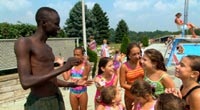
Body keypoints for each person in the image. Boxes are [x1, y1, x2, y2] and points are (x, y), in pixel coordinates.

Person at [14, 7, 92, 110]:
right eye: (56, 24)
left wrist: (73, 84)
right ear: (44, 22)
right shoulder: (24, 43)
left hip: (56, 99)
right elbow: (25, 82)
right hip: (40, 102)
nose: (59, 27)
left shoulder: (48, 48)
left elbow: (51, 80)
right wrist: (64, 68)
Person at [119, 42, 144, 110]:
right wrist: (135, 89)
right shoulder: (124, 67)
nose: (137, 56)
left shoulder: (142, 63)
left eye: (138, 53)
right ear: (129, 56)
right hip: (130, 96)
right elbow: (122, 84)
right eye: (134, 54)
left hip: (143, 94)